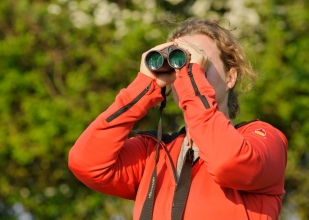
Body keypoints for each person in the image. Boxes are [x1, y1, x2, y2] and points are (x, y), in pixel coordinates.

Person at [68, 18, 288, 220]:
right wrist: (144, 87)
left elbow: (227, 163)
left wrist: (192, 76)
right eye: (179, 63)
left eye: (202, 64)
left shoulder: (263, 139)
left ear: (230, 77)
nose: (186, 72)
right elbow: (87, 164)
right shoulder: (153, 154)